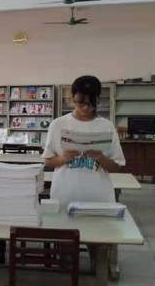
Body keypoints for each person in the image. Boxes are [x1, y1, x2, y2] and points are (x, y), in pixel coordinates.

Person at [43, 75, 125, 205]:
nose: (86, 107)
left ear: (98, 99)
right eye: (81, 102)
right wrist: (63, 158)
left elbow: (117, 167)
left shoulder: (107, 126)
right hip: (65, 194)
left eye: (91, 103)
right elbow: (48, 161)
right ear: (72, 98)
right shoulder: (58, 124)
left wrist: (101, 157)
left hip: (98, 196)